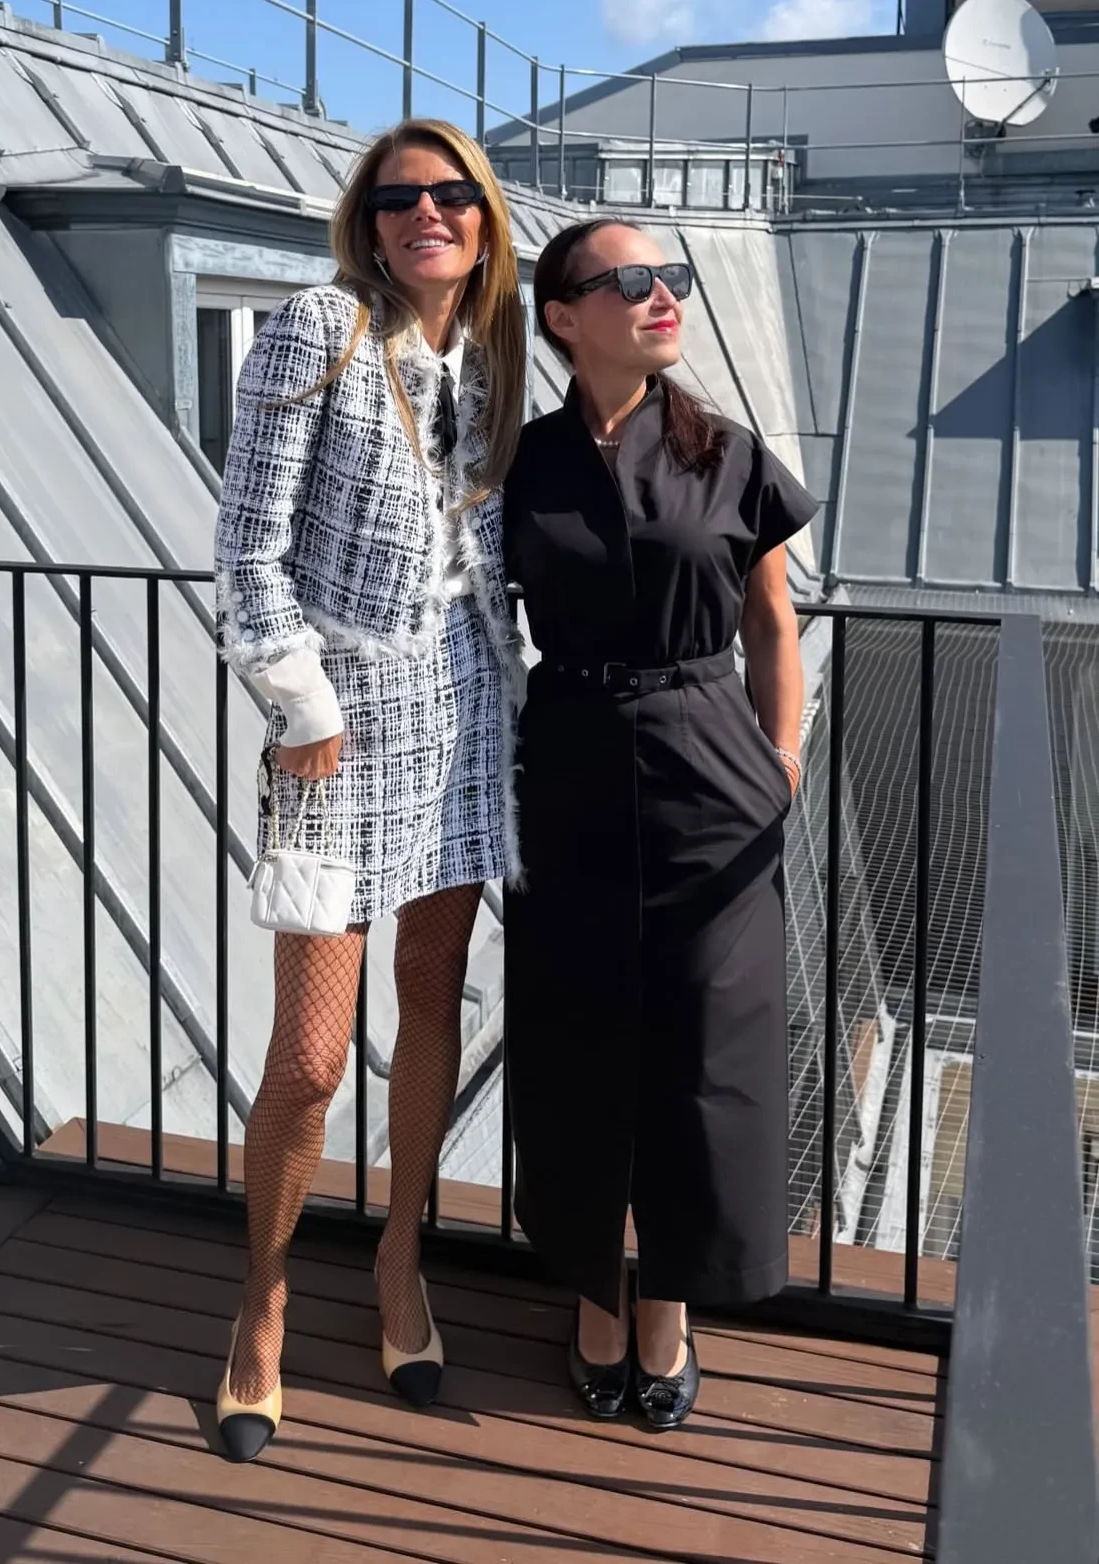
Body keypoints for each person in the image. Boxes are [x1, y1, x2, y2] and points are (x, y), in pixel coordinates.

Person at [212, 119, 525, 1461]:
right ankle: (263, 1300)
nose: (425, 213)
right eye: (399, 198)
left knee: (433, 994)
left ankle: (402, 1259)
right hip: (337, 730)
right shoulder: (316, 329)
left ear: (483, 219)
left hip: (464, 716)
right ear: (369, 220)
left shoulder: (494, 357)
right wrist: (302, 705)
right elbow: (246, 550)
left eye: (451, 194)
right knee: (310, 1058)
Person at [502, 219, 816, 1432]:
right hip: (568, 767)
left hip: (709, 769)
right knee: (575, 1037)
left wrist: (780, 761)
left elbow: (772, 623)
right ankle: (595, 1290)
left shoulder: (724, 451)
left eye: (670, 276)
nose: (661, 294)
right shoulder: (521, 460)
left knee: (705, 1047)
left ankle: (670, 1301)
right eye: (628, 280)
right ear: (563, 317)